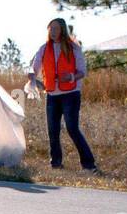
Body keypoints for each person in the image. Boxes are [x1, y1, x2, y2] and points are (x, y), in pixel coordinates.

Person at [30, 18, 99, 172]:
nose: (52, 31)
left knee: (72, 128)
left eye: (56, 28)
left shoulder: (73, 47)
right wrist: (32, 78)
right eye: (50, 28)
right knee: (52, 130)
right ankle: (56, 164)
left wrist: (71, 77)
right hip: (52, 95)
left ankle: (89, 164)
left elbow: (82, 71)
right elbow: (33, 68)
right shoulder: (43, 48)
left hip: (71, 94)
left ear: (62, 30)